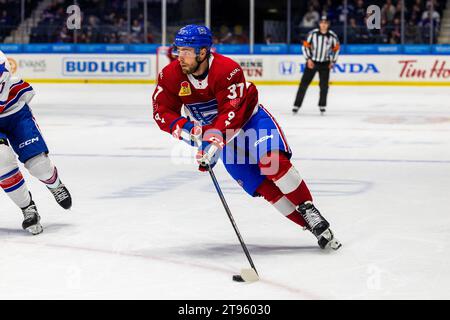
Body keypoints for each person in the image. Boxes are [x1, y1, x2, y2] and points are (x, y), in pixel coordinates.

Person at [152, 25, 341, 250]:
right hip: (221, 137)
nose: (179, 57)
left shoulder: (226, 69)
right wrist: (194, 135)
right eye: (178, 50)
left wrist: (212, 140)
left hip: (249, 121)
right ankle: (314, 229)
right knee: (262, 186)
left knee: (273, 163)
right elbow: (162, 112)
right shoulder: (170, 75)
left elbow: (230, 113)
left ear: (203, 52)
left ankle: (308, 208)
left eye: (186, 51)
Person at [0, 51, 72, 235]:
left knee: (39, 165)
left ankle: (54, 184)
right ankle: (27, 208)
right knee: (1, 161)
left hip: (14, 113)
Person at [293, 16, 340, 115]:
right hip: (312, 63)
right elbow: (305, 47)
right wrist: (308, 59)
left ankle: (322, 105)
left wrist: (333, 61)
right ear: (319, 24)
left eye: (325, 23)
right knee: (303, 84)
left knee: (324, 86)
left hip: (325, 64)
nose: (323, 24)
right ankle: (297, 105)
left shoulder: (332, 36)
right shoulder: (312, 34)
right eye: (322, 22)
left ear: (328, 24)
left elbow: (336, 49)